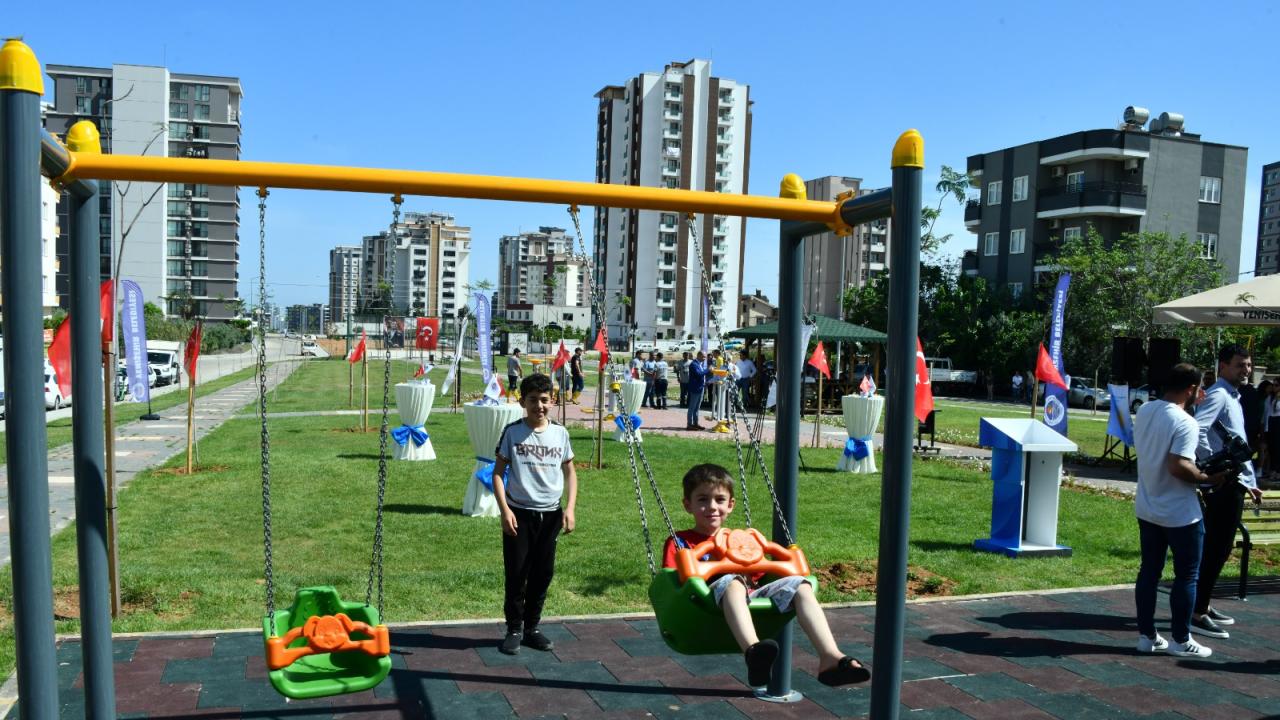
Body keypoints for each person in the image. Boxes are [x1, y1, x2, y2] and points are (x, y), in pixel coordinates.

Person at [663, 464, 870, 687]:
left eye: (719, 500)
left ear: (731, 505)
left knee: (800, 585)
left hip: (751, 592)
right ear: (688, 505)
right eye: (702, 499)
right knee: (733, 583)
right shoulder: (680, 542)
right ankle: (753, 651)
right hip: (704, 601)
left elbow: (761, 573)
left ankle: (831, 657)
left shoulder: (741, 539)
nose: (712, 507)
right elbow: (675, 580)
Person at [1133, 363, 1224, 658]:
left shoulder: (1146, 410)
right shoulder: (1186, 422)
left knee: (1149, 571)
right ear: (1190, 389)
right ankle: (1181, 639)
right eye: (1200, 388)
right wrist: (1209, 478)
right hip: (1180, 512)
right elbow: (1179, 466)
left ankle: (1147, 636)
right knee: (1187, 575)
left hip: (1148, 505)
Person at [492, 373, 578, 655]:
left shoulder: (560, 434)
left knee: (543, 573)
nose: (538, 406)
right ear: (522, 402)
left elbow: (570, 472)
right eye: (532, 400)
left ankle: (532, 628)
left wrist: (570, 508)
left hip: (550, 515)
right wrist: (505, 510)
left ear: (552, 401)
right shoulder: (513, 432)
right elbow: (497, 473)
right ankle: (514, 628)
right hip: (519, 514)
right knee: (517, 573)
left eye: (544, 400)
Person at [1192, 344, 1264, 639]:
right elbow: (1197, 429)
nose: (1245, 370)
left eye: (1248, 365)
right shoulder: (1220, 395)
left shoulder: (1234, 396)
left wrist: (1248, 480)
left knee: (1221, 548)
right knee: (1216, 548)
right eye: (1239, 365)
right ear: (1223, 366)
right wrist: (1213, 470)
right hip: (1224, 483)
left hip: (1235, 481)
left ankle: (1203, 604)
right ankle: (1197, 611)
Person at [686, 351, 711, 430]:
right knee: (692, 407)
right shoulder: (694, 364)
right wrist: (708, 370)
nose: (704, 359)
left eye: (705, 357)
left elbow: (701, 375)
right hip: (695, 388)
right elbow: (699, 374)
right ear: (699, 356)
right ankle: (689, 424)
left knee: (697, 408)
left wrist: (705, 382)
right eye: (703, 357)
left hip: (701, 387)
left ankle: (695, 423)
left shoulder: (699, 364)